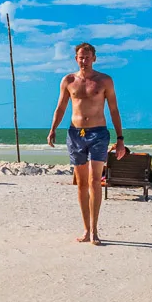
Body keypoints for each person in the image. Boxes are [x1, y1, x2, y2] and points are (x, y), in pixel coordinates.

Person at [47, 41, 126, 245]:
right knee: (81, 183)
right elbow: (61, 107)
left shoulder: (105, 81)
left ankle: (95, 230)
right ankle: (86, 229)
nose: (84, 61)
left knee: (94, 181)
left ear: (94, 58)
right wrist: (53, 129)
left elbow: (114, 110)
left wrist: (120, 139)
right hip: (75, 134)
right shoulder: (68, 80)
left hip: (99, 133)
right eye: (81, 57)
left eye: (87, 57)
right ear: (76, 58)